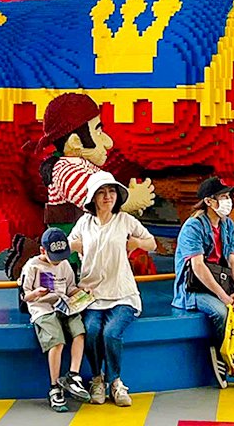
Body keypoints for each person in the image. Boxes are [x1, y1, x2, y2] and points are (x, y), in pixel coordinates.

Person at [69, 170, 156, 408]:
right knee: (92, 329)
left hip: (123, 293)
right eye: (102, 192)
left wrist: (137, 243)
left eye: (111, 192)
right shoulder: (84, 223)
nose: (108, 196)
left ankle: (116, 381)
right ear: (93, 198)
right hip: (92, 294)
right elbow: (69, 245)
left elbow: (152, 242)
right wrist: (82, 247)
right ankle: (97, 379)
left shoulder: (125, 220)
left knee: (111, 332)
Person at [173, 177, 234, 389]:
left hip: (223, 283)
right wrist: (223, 296)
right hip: (195, 287)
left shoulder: (228, 225)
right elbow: (198, 266)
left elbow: (233, 260)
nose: (228, 202)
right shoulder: (193, 227)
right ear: (209, 201)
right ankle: (231, 360)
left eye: (228, 197)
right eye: (223, 197)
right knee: (221, 312)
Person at [20, 228, 91, 412]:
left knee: (79, 332)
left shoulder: (65, 264)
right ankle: (54, 386)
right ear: (43, 251)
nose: (58, 261)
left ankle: (73, 375)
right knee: (56, 342)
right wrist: (34, 294)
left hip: (64, 305)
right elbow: (24, 295)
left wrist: (82, 294)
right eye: (55, 257)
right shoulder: (32, 266)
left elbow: (70, 288)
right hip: (42, 308)